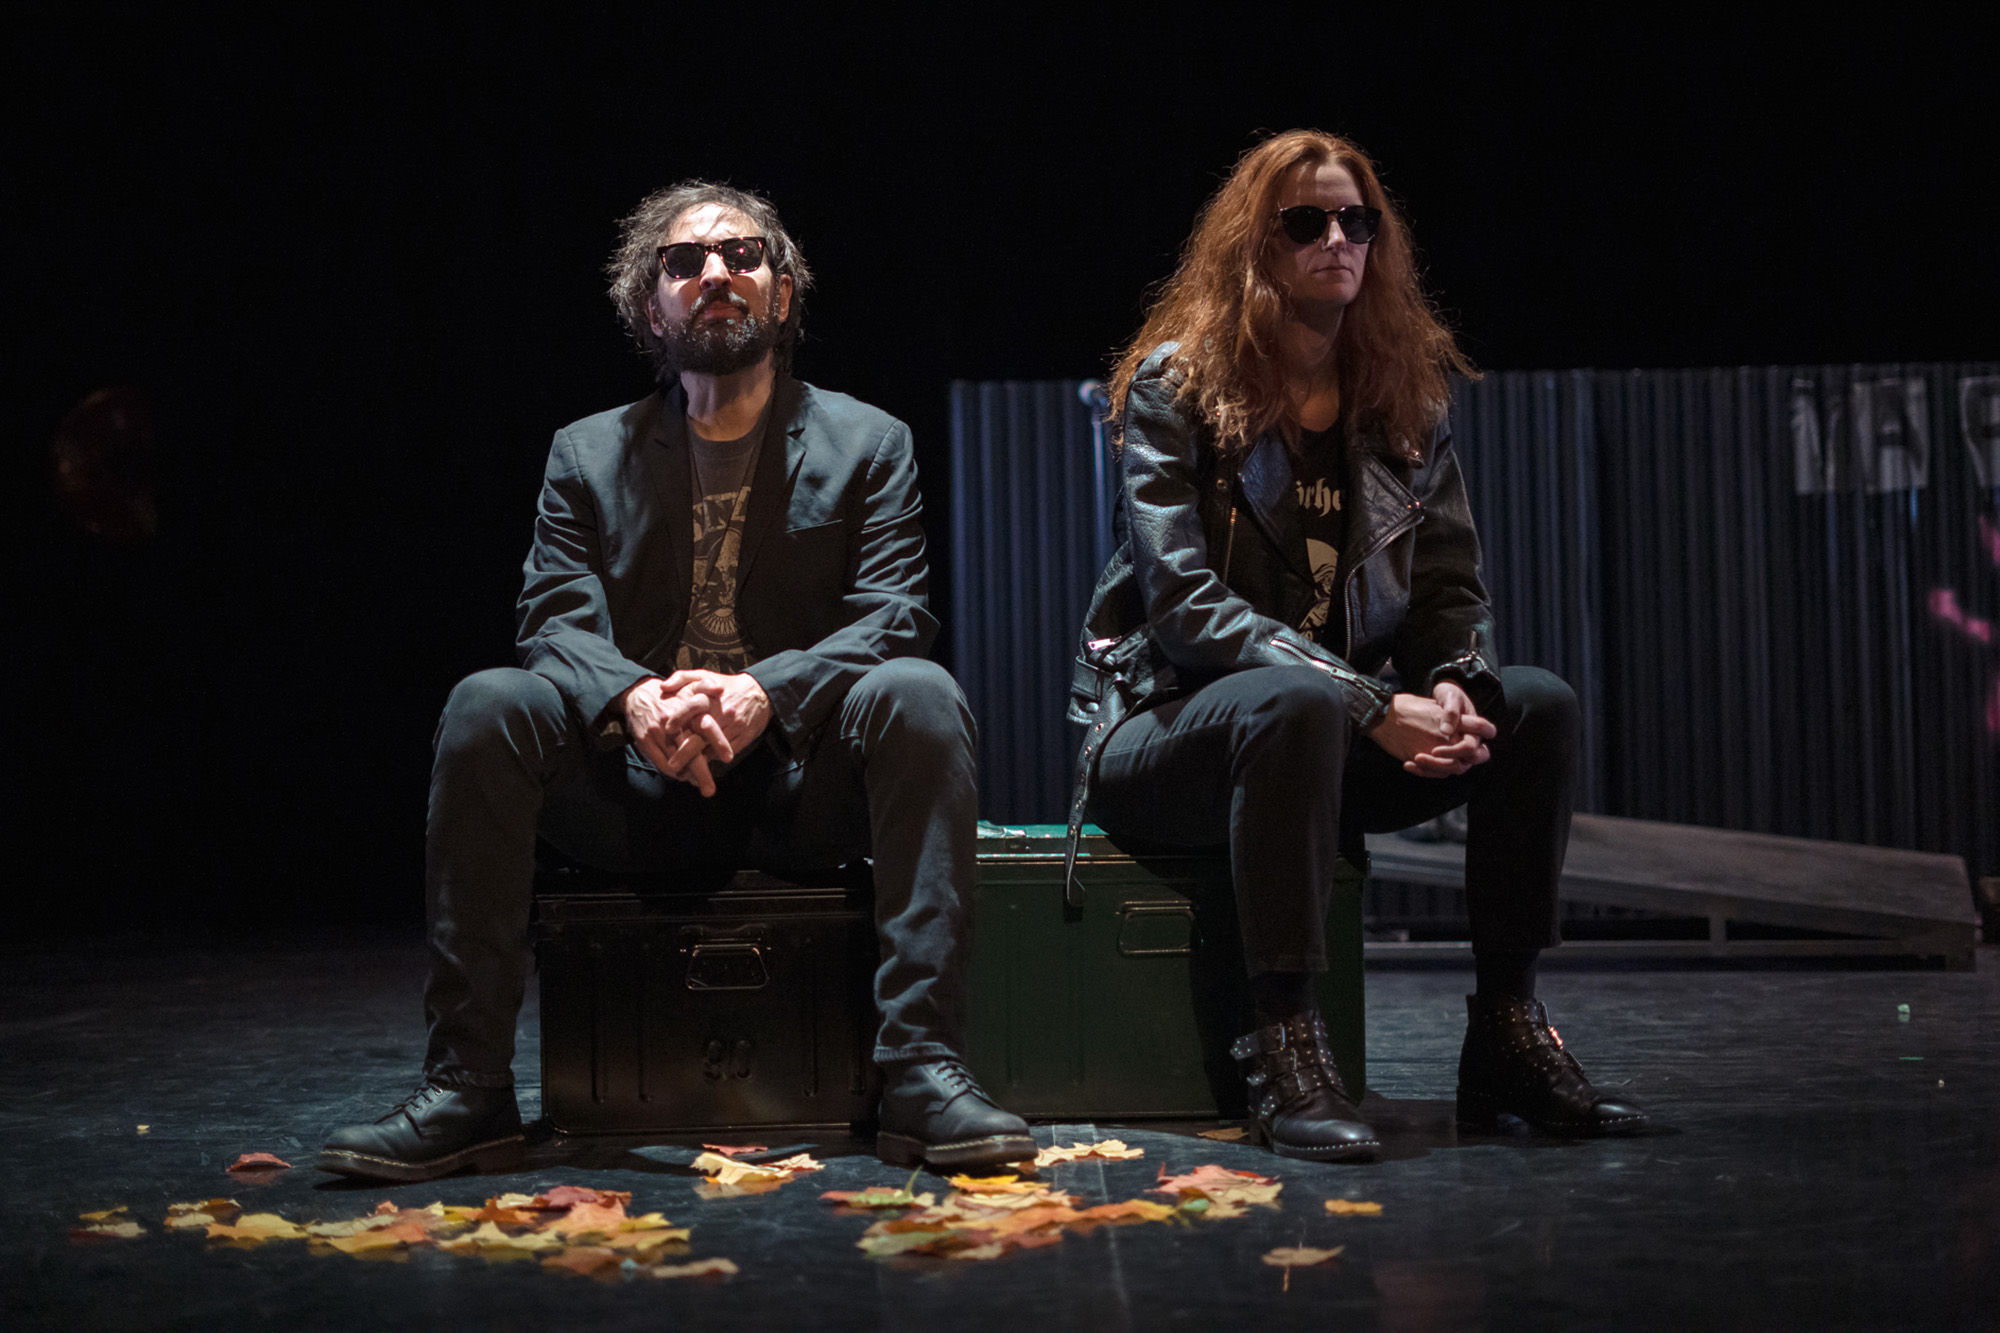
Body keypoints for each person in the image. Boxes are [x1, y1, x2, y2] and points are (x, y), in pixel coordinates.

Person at [319, 181, 1032, 1181]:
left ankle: (920, 1072)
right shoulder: (585, 452)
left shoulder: (869, 442)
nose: (716, 274)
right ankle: (467, 1087)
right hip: (635, 795)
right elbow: (552, 619)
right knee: (489, 703)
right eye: (685, 261)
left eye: (743, 255)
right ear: (650, 308)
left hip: (795, 792)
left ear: (782, 292)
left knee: (918, 690)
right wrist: (633, 699)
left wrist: (765, 692)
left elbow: (893, 614)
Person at [1067, 130, 1647, 1161]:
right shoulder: (1177, 387)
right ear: (1255, 244)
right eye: (1305, 222)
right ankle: (1283, 1040)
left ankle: (1506, 1026)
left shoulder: (1401, 401)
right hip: (1162, 733)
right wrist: (1373, 704)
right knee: (1295, 701)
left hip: (1317, 742)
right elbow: (1185, 607)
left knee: (1535, 704)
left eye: (1355, 221)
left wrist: (1455, 682)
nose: (1335, 239)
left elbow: (1448, 592)